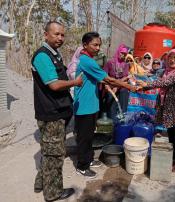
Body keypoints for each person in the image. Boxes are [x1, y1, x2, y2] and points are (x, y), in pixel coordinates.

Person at [31, 21, 83, 201]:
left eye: (62, 34)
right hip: (51, 113)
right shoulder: (42, 56)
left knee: (49, 150)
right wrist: (75, 83)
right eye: (56, 34)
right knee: (54, 154)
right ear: (46, 35)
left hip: (58, 112)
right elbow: (54, 85)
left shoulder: (54, 54)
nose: (60, 38)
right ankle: (53, 193)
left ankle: (41, 183)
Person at [74, 32, 136, 177]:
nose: (97, 48)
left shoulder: (90, 60)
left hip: (91, 104)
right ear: (85, 45)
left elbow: (100, 80)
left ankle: (88, 159)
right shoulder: (86, 61)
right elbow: (110, 80)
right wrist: (129, 87)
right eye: (94, 45)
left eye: (99, 45)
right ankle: (82, 166)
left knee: (89, 135)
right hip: (84, 106)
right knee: (84, 137)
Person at [137, 49, 175, 172]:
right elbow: (158, 80)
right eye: (170, 58)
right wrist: (143, 83)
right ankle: (173, 157)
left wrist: (145, 85)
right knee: (171, 136)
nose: (172, 60)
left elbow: (165, 83)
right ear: (167, 60)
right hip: (168, 108)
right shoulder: (166, 72)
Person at [103, 44, 130, 121]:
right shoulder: (110, 63)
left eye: (125, 54)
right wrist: (108, 86)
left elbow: (125, 77)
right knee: (112, 108)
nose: (123, 55)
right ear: (118, 52)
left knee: (123, 107)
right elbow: (104, 75)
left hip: (121, 88)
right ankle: (112, 124)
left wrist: (117, 86)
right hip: (111, 88)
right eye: (122, 53)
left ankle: (121, 123)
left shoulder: (125, 64)